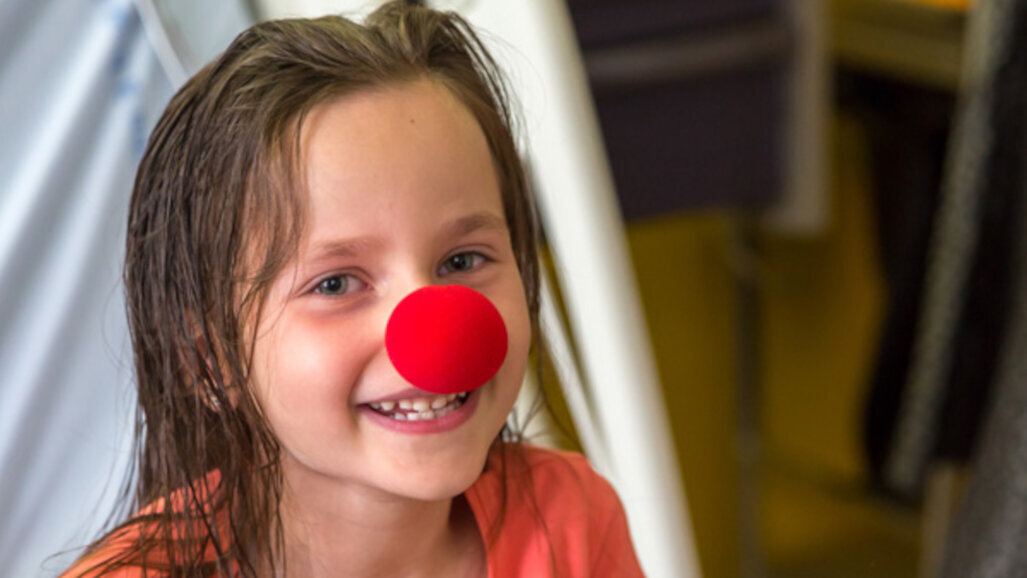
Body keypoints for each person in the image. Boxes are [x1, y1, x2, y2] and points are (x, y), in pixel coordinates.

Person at [62, 1, 643, 576]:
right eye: (337, 283)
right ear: (210, 362)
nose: (436, 328)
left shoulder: (573, 521)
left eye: (462, 259)